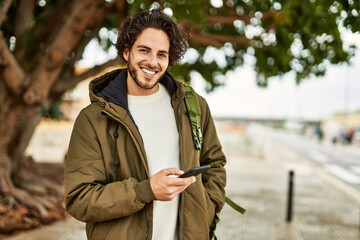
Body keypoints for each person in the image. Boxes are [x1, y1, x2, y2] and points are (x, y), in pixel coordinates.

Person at [64, 9, 226, 240]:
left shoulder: (194, 106)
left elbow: (215, 164)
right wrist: (145, 190)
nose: (152, 62)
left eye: (162, 54)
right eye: (144, 50)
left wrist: (206, 211)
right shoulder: (93, 119)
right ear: (127, 51)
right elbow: (79, 199)